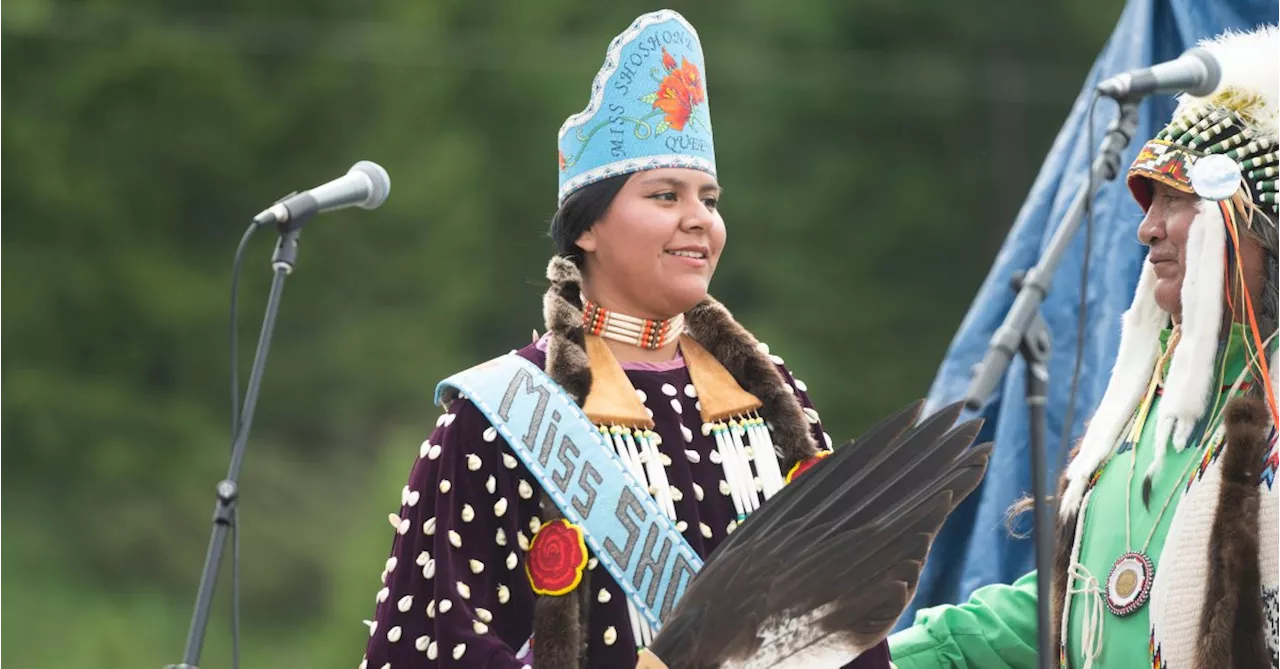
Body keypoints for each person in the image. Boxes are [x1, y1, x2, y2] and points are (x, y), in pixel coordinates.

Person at [359, 10, 893, 668]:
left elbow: (847, 631)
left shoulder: (776, 403)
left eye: (710, 198)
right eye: (665, 195)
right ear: (586, 227)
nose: (698, 220)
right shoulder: (498, 416)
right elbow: (427, 651)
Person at [888, 25, 1280, 668]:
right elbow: (1069, 613)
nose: (1147, 229)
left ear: (1248, 224)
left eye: (1176, 201)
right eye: (1149, 203)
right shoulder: (1144, 415)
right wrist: (885, 659)